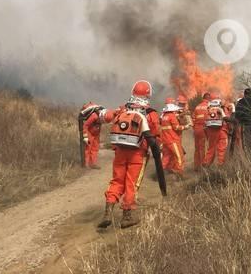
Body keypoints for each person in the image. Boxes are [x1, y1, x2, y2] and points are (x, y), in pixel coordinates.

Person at [95, 80, 166, 229]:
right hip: (138, 154)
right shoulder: (150, 113)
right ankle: (127, 217)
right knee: (131, 184)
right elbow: (155, 134)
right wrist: (158, 151)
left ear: (133, 92)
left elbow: (107, 117)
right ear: (148, 94)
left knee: (116, 181)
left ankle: (107, 212)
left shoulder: (123, 109)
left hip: (120, 151)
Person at [160, 99, 188, 177]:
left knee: (166, 157)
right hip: (172, 140)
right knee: (179, 156)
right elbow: (176, 127)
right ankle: (179, 173)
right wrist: (185, 127)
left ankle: (160, 173)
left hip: (165, 140)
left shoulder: (164, 116)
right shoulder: (171, 116)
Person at [203, 97, 230, 167]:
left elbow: (205, 125)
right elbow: (228, 120)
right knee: (221, 150)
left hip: (211, 133)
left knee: (211, 149)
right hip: (222, 132)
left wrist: (207, 136)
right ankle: (220, 166)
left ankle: (206, 164)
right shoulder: (222, 110)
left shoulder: (208, 111)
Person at [80, 101, 102, 169]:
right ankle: (86, 164)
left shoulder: (103, 117)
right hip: (89, 132)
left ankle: (93, 163)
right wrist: (85, 136)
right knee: (88, 148)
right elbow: (85, 125)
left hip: (96, 133)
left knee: (95, 148)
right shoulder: (94, 116)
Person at [191, 92, 210, 171]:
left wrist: (195, 127)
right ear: (208, 98)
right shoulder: (208, 106)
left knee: (197, 148)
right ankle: (203, 167)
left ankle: (196, 166)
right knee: (203, 148)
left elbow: (193, 118)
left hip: (196, 129)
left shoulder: (197, 107)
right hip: (204, 128)